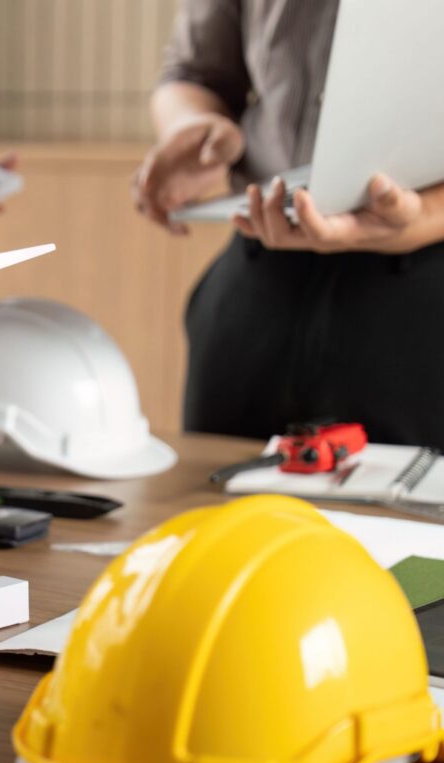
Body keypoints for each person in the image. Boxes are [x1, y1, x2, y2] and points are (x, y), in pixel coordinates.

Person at [132, 0, 444, 447]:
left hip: (424, 293)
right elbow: (194, 74)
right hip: (259, 271)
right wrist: (194, 129)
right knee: (216, 483)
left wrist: (427, 216)